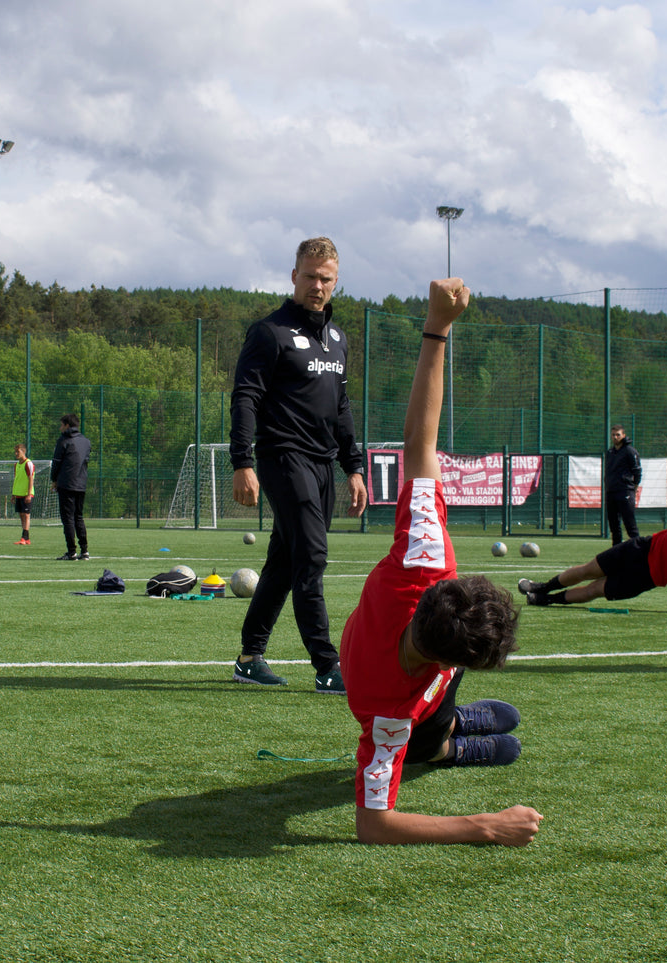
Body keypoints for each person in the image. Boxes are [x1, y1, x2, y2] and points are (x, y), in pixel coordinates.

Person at [341, 276, 541, 847]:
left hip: (423, 669)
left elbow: (420, 443)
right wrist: (485, 826)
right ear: (450, 665)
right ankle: (448, 741)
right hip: (412, 704)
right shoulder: (387, 712)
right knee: (422, 744)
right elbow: (372, 825)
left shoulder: (424, 560)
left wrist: (438, 326)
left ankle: (452, 718)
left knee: (444, 717)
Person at [229, 237, 368, 693]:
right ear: (294, 276)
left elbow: (342, 406)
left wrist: (354, 466)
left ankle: (250, 656)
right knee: (312, 556)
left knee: (286, 563)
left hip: (323, 463)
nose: (317, 285)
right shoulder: (269, 332)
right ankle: (328, 665)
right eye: (309, 276)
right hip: (281, 457)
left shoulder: (337, 338)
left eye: (326, 278)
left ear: (335, 281)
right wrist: (242, 461)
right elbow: (246, 396)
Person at [520, 423, 667, 613]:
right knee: (589, 569)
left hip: (647, 578)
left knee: (596, 589)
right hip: (644, 547)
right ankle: (541, 587)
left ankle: (547, 600)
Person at [50, 413, 90, 560]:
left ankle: (71, 551)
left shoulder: (63, 440)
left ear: (67, 425)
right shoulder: (86, 442)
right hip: (81, 484)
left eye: (61, 425)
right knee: (78, 517)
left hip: (66, 484)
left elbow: (56, 463)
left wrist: (54, 480)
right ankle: (84, 550)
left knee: (68, 519)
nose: (60, 428)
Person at [605, 423, 641, 544]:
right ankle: (616, 555)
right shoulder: (610, 453)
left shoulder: (630, 451)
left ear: (623, 435)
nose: (615, 437)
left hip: (625, 492)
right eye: (613, 435)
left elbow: (637, 472)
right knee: (614, 528)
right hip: (611, 492)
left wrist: (633, 488)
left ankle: (638, 554)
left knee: (630, 526)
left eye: (618, 435)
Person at [12, 442, 35, 545]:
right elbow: (16, 479)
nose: (16, 453)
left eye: (18, 451)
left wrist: (29, 494)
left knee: (26, 515)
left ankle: (24, 537)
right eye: (15, 452)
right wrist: (13, 494)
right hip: (18, 493)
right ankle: (26, 538)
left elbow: (31, 479)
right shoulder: (16, 465)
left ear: (23, 451)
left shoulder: (28, 463)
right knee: (21, 515)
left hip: (26, 494)